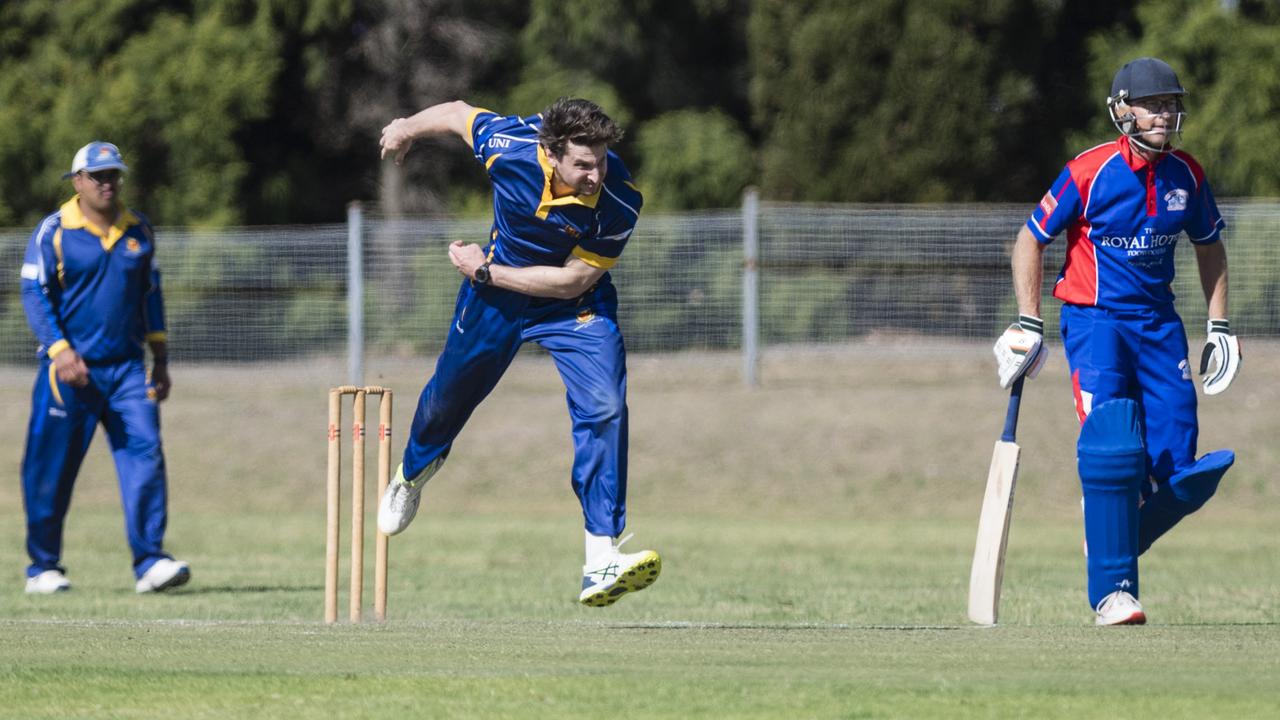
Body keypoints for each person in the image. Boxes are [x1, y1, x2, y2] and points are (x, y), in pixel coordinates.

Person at [374, 98, 661, 607]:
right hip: (496, 303)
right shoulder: (510, 147)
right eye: (583, 164)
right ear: (551, 155)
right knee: (447, 399)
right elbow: (460, 114)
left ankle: (601, 557)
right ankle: (411, 474)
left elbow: (574, 280)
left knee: (605, 406)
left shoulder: (620, 198)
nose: (596, 173)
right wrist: (405, 127)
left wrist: (485, 271)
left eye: (601, 159)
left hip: (571, 304)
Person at [994, 57, 1240, 625]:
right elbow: (1029, 242)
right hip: (1094, 320)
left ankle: (1113, 527)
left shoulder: (1189, 175)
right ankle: (1113, 594)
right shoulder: (1087, 171)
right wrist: (1029, 320)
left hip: (1159, 324)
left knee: (1177, 466)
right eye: (1154, 104)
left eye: (1172, 104)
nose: (1166, 113)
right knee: (1111, 445)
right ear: (1122, 110)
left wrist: (1220, 324)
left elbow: (1210, 246)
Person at [19, 141, 190, 594]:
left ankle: (151, 562)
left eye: (114, 175)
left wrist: (162, 359)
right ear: (77, 182)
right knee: (49, 468)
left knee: (146, 455)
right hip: (69, 373)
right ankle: (43, 567)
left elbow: (151, 297)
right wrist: (59, 350)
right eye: (97, 176)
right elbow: (34, 295)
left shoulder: (139, 230)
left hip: (128, 371)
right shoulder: (54, 231)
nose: (107, 183)